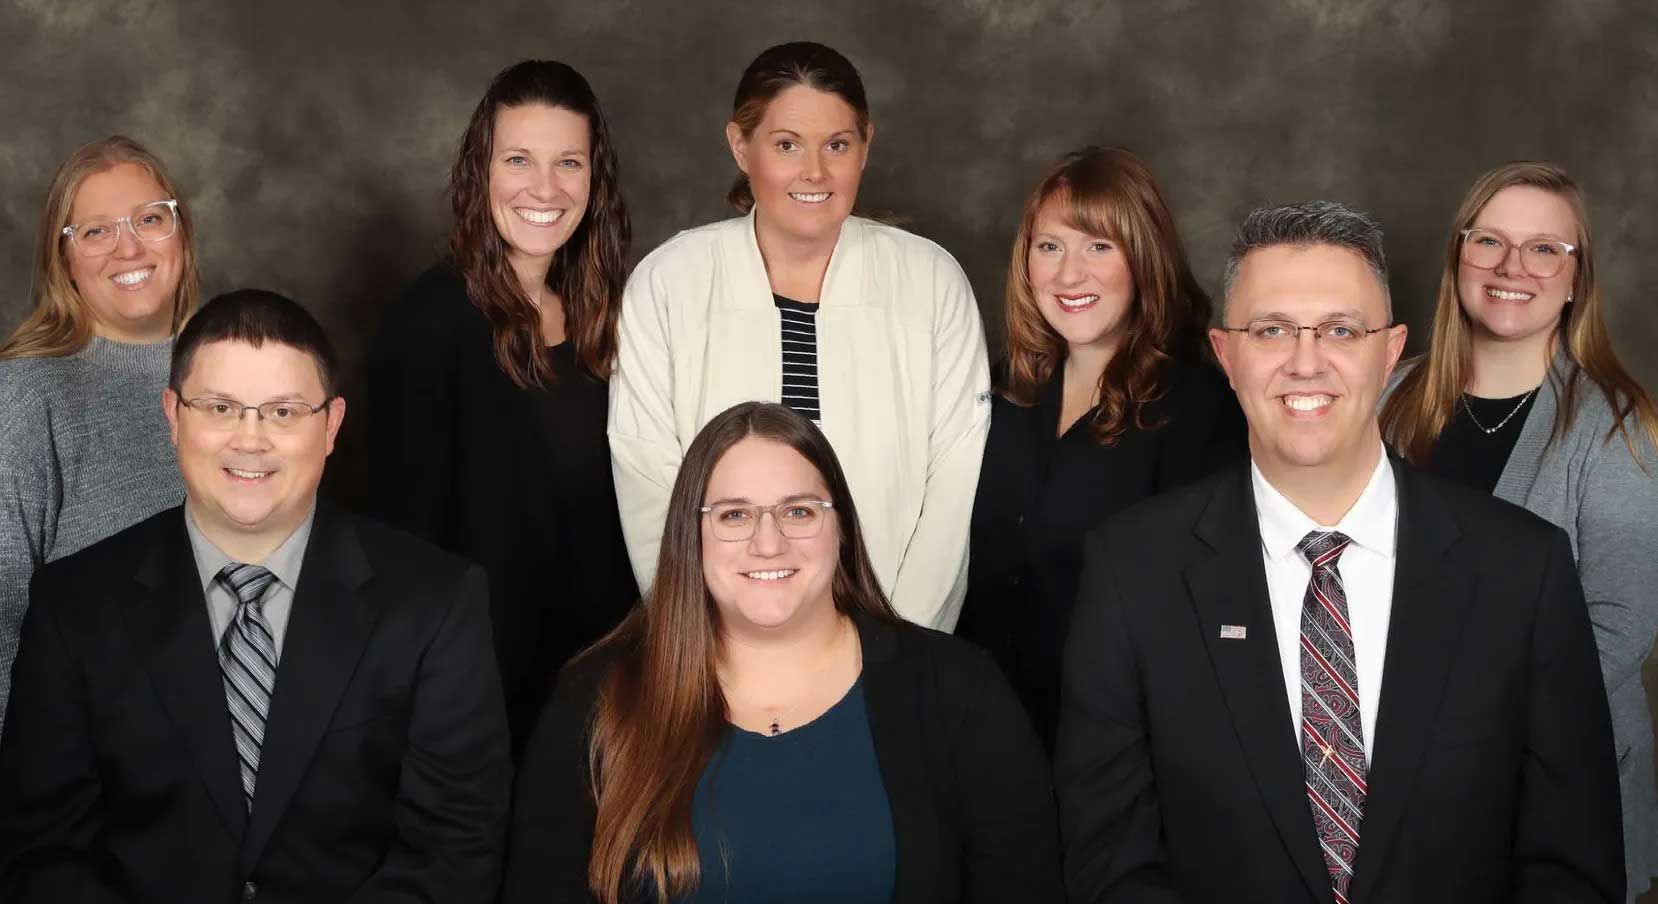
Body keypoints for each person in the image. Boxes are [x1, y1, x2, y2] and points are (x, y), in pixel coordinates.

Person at [1057, 202, 1623, 902]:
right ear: (1226, 355)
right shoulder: (1131, 572)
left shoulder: (1522, 571)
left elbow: (1573, 867)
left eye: (1341, 330)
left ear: (1390, 352)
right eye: (1271, 330)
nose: (1306, 362)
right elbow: (1111, 869)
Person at [0, 290, 511, 902]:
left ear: (332, 425)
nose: (251, 440)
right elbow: (41, 855)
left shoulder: (436, 602)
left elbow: (454, 852)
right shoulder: (73, 605)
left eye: (284, 412)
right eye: (220, 407)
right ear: (173, 415)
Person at [507, 402, 1062, 904]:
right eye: (734, 515)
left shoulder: (961, 693)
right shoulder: (593, 703)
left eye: (798, 511)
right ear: (688, 535)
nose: (768, 542)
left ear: (840, 526)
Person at [607, 41, 990, 631]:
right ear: (741, 146)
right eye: (787, 145)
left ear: (866, 145)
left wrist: (903, 643)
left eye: (837, 145)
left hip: (896, 632)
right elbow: (648, 479)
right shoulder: (669, 282)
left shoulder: (930, 280)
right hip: (716, 643)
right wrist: (708, 636)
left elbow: (953, 480)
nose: (815, 171)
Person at [1380, 160, 1658, 902]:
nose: (1513, 267)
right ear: (1458, 257)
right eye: (1489, 242)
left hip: (1554, 792)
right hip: (1394, 782)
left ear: (1577, 277)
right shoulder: (1385, 394)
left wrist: (1461, 726)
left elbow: (1619, 630)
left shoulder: (1618, 427)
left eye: (1545, 249)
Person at [366, 59, 636, 753]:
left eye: (568, 163)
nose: (544, 188)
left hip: (599, 695)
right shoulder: (429, 324)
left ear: (593, 179)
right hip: (475, 710)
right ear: (479, 172)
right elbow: (401, 547)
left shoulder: (608, 319)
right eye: (518, 159)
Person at [958, 146, 1245, 747]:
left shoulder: (1199, 410)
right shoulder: (1004, 388)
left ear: (1145, 258)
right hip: (984, 734)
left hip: (1115, 748)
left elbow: (1202, 622)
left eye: (1098, 246)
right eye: (1050, 246)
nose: (1068, 275)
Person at [0, 135, 199, 736]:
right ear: (63, 260)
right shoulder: (29, 393)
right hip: (82, 769)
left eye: (148, 219)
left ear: (180, 232)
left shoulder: (240, 373)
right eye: (95, 232)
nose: (129, 247)